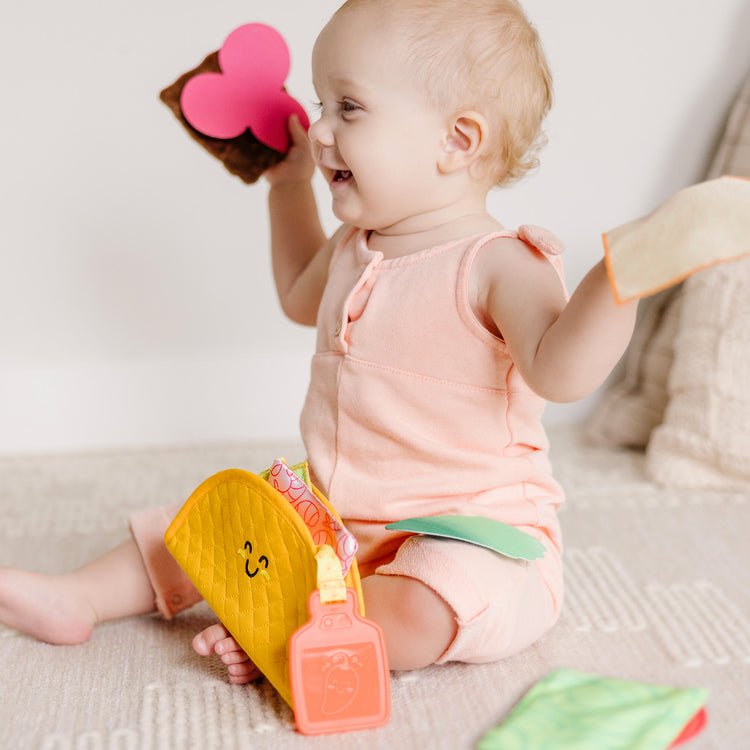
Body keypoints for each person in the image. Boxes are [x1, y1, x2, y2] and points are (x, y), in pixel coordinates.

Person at [0, 0, 638, 684]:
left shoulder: (499, 263)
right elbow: (296, 295)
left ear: (457, 140)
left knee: (427, 601)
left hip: (473, 534)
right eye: (320, 102)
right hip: (337, 519)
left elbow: (562, 370)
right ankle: (81, 597)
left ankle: (305, 634)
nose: (319, 127)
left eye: (349, 108)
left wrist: (617, 282)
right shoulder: (354, 244)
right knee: (213, 517)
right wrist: (286, 185)